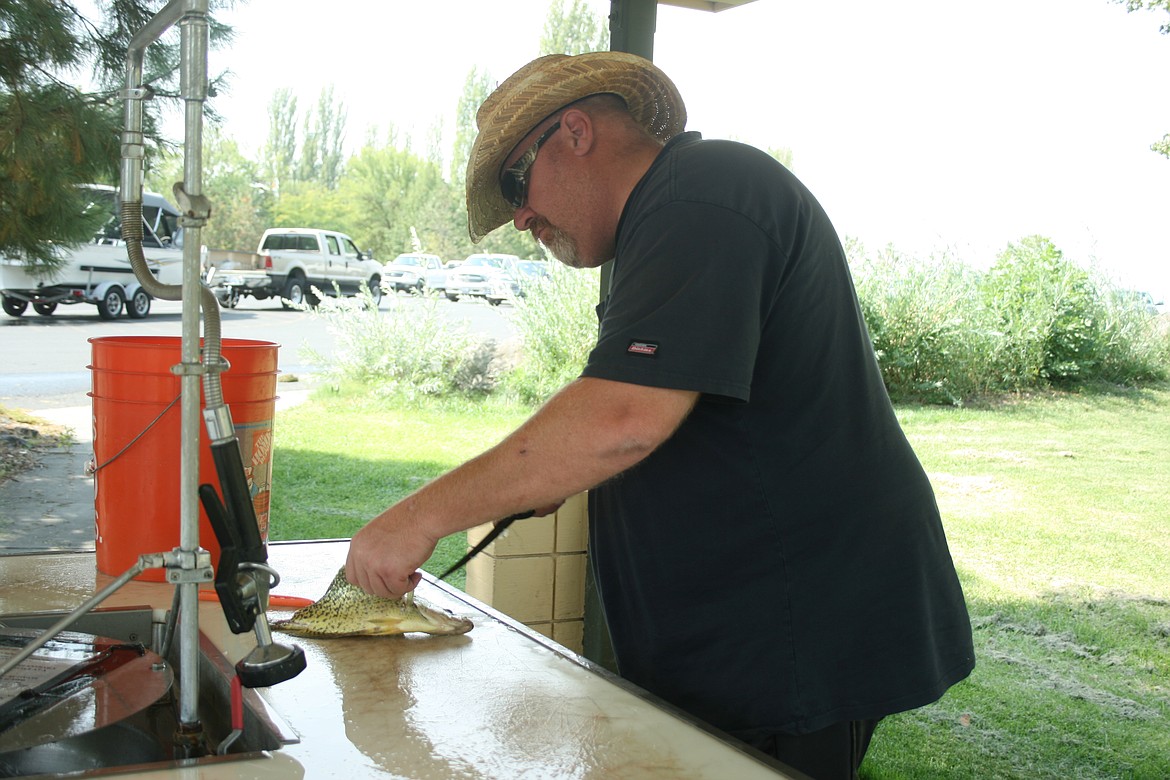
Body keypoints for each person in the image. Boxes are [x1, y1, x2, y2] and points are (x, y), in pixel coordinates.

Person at [346, 51, 975, 780]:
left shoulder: (703, 196)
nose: (520, 217)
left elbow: (622, 419)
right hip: (738, 634)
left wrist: (414, 519)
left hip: (790, 637)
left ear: (575, 132)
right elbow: (615, 423)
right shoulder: (662, 218)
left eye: (516, 182)